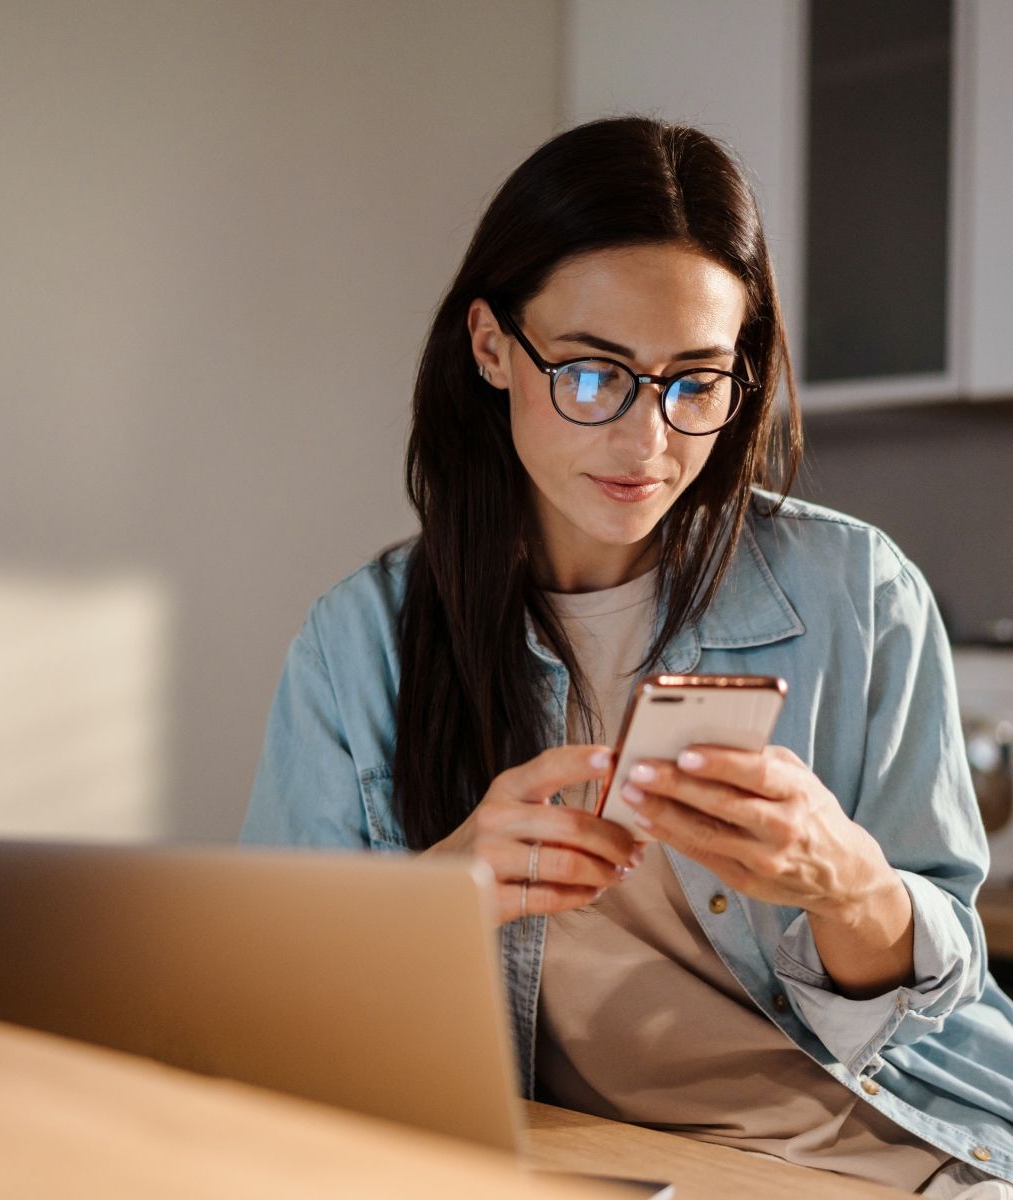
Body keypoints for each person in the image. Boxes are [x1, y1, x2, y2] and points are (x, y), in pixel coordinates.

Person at [240, 116, 1013, 1197]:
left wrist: (847, 886)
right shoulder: (360, 642)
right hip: (604, 1169)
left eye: (696, 382)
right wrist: (440, 895)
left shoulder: (859, 591)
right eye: (596, 375)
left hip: (902, 1153)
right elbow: (266, 1005)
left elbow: (941, 986)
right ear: (491, 346)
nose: (650, 444)